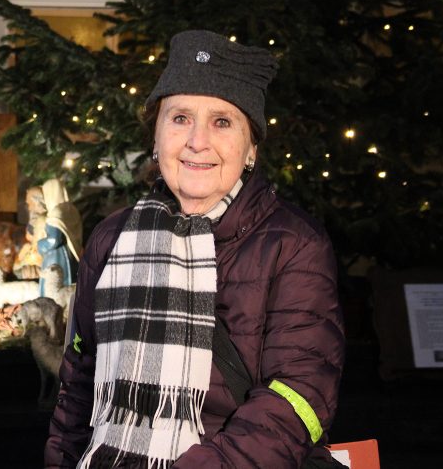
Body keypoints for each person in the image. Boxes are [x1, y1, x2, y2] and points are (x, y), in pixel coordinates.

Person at [46, 30, 345, 468]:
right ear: (156, 136)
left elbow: (302, 392)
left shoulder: (294, 244)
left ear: (250, 149)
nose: (197, 141)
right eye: (180, 117)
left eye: (222, 121)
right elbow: (79, 384)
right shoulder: (111, 238)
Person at [31, 179, 83, 296]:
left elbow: (54, 240)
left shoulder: (56, 212)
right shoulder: (71, 210)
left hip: (57, 257)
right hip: (70, 255)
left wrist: (39, 245)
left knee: (54, 288)